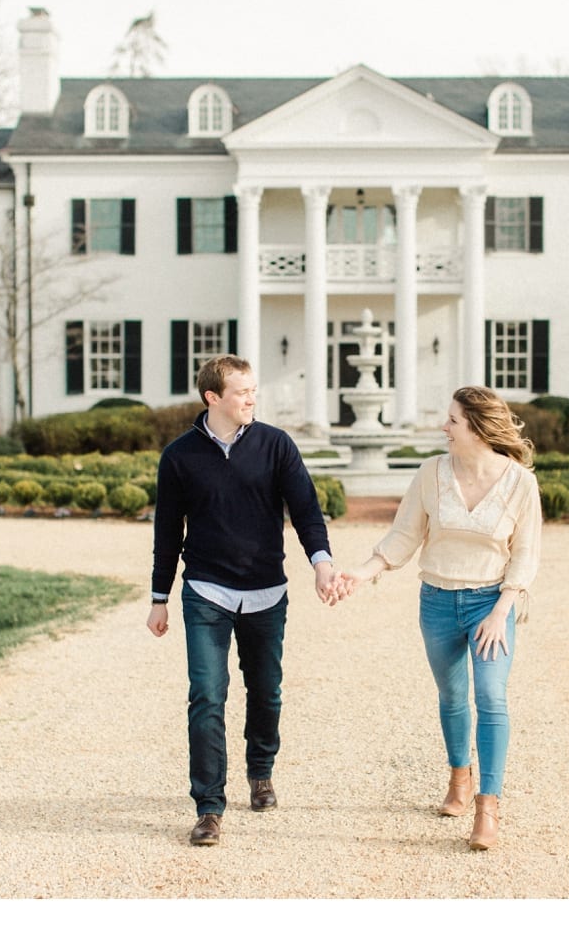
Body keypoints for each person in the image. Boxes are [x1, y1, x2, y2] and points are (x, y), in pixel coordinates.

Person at [336, 386, 542, 850]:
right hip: (437, 601)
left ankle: (488, 808)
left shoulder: (520, 483)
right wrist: (364, 573)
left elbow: (525, 556)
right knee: (452, 696)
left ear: (478, 428)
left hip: (492, 605)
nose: (443, 427)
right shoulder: (432, 473)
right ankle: (459, 779)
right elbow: (404, 536)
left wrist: (501, 611)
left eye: (452, 421)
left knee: (491, 697)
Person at [147, 354, 340, 846]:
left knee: (266, 689)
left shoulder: (277, 445)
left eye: (254, 390)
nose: (252, 398)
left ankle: (261, 770)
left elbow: (306, 510)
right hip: (206, 591)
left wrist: (321, 564)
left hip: (266, 591)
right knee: (207, 696)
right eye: (242, 391)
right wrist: (159, 597)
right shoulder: (179, 456)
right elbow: (168, 531)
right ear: (213, 397)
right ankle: (209, 807)